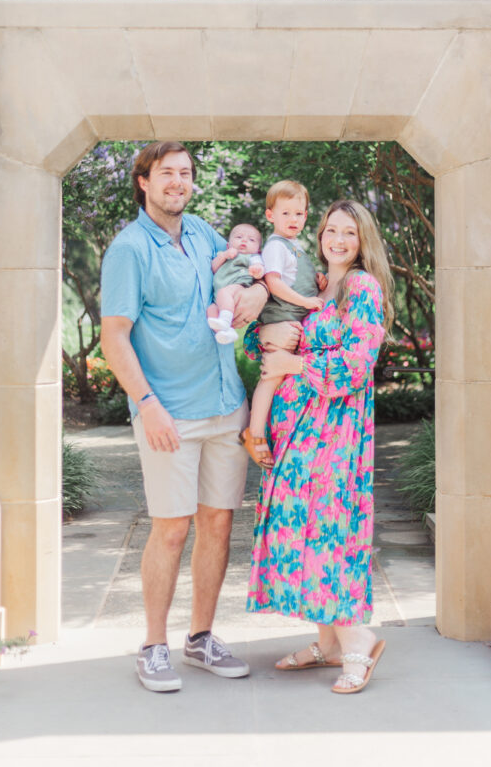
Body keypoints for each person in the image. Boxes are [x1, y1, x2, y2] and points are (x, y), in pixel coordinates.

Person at [100, 141, 269, 694]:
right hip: (169, 414)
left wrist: (257, 296)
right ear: (143, 181)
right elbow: (114, 337)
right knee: (171, 530)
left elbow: (246, 274)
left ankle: (201, 638)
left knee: (218, 523)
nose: (179, 181)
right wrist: (147, 405)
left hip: (226, 407)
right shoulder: (129, 249)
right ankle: (153, 646)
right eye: (167, 172)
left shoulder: (200, 231)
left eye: (186, 173)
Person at [244, 199, 395, 694]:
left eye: (348, 232)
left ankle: (358, 640)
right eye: (331, 229)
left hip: (335, 433)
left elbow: (356, 364)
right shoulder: (319, 287)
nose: (337, 239)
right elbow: (278, 336)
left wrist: (294, 368)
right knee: (301, 527)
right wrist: (268, 335)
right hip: (298, 432)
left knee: (331, 529)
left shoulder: (362, 287)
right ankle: (328, 642)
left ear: (362, 239)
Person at [239, 181, 325, 469]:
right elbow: (274, 284)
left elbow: (293, 276)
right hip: (280, 319)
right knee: (270, 378)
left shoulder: (295, 247)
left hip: (290, 319)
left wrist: (318, 282)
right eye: (286, 213)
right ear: (270, 215)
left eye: (299, 214)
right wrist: (307, 300)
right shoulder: (276, 246)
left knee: (277, 377)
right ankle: (255, 433)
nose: (294, 220)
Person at [207, 223, 265, 345]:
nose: (244, 240)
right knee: (211, 310)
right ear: (228, 245)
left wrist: (257, 271)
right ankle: (226, 332)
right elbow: (213, 268)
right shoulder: (224, 255)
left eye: (251, 240)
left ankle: (225, 319)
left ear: (258, 249)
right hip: (219, 297)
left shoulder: (252, 257)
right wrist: (224, 255)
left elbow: (259, 269)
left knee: (224, 293)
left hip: (238, 286)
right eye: (238, 237)